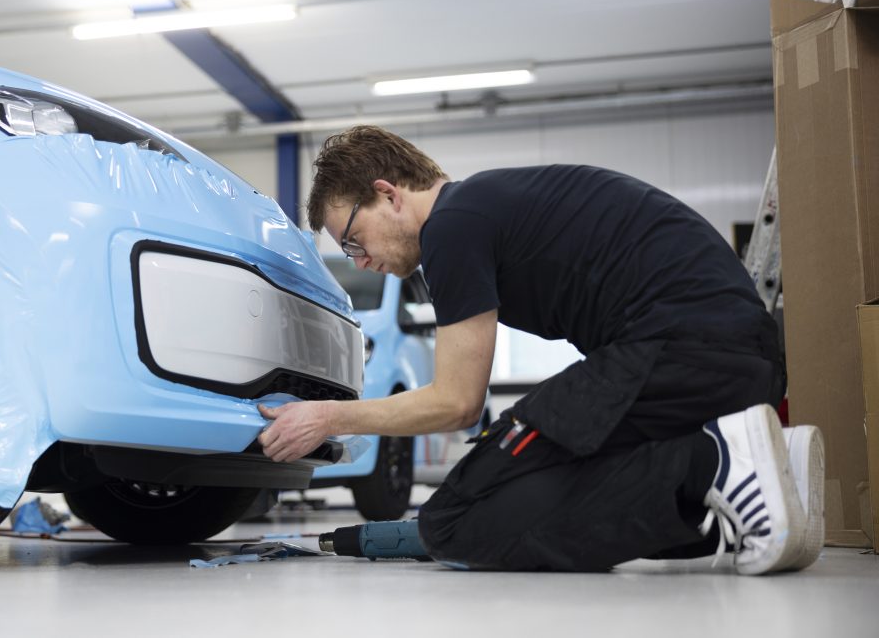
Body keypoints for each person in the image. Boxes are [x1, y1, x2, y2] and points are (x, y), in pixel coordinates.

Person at [257, 125, 823, 574]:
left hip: (680, 349)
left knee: (453, 518)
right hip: (736, 363)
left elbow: (457, 403)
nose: (359, 262)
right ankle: (760, 479)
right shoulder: (487, 206)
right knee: (549, 492)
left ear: (388, 194)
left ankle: (711, 465)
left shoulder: (452, 226)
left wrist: (328, 417)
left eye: (353, 241)